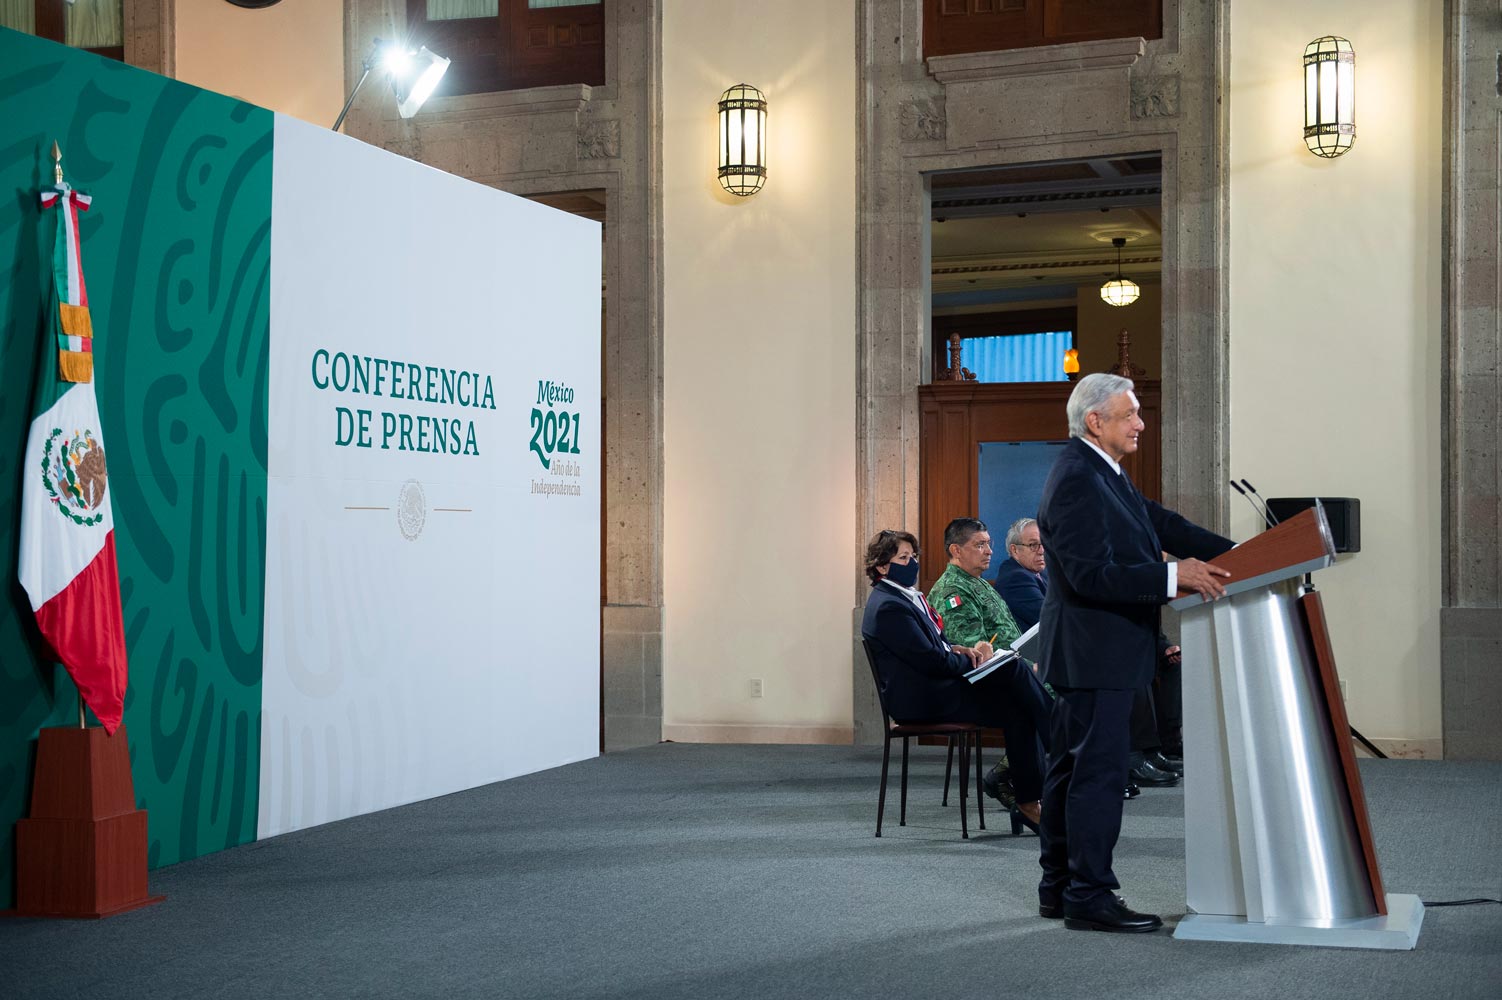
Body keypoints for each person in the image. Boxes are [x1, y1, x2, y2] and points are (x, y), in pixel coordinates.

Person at [1035, 373, 1234, 933]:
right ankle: (1089, 895)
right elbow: (1090, 575)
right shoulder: (1077, 477)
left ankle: (1060, 887)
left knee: (1071, 770)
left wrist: (1245, 554)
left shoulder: (1103, 471)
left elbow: (1164, 524)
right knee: (1096, 776)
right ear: (1095, 421)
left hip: (1096, 651)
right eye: (1130, 415)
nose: (1141, 424)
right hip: (1094, 652)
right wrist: (1174, 577)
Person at [859, 529, 1050, 834]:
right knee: (1013, 671)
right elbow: (932, 661)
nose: (913, 563)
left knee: (1019, 705)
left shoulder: (903, 597)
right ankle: (1059, 736)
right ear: (882, 566)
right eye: (904, 558)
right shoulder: (889, 607)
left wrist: (962, 650)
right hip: (922, 700)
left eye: (914, 556)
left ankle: (1029, 803)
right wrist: (976, 661)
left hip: (936, 688)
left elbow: (935, 648)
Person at [926, 518, 1051, 827]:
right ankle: (1062, 745)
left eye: (989, 544)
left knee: (1027, 705)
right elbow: (975, 653)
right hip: (973, 687)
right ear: (956, 550)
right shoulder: (952, 590)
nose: (989, 551)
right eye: (979, 545)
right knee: (1036, 695)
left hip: (1006, 678)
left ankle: (1030, 799)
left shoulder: (978, 582)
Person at [994, 517, 1048, 632]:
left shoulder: (1040, 572)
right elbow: (1050, 618)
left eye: (1044, 543)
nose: (1041, 551)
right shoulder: (1015, 578)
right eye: (1033, 545)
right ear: (1015, 550)